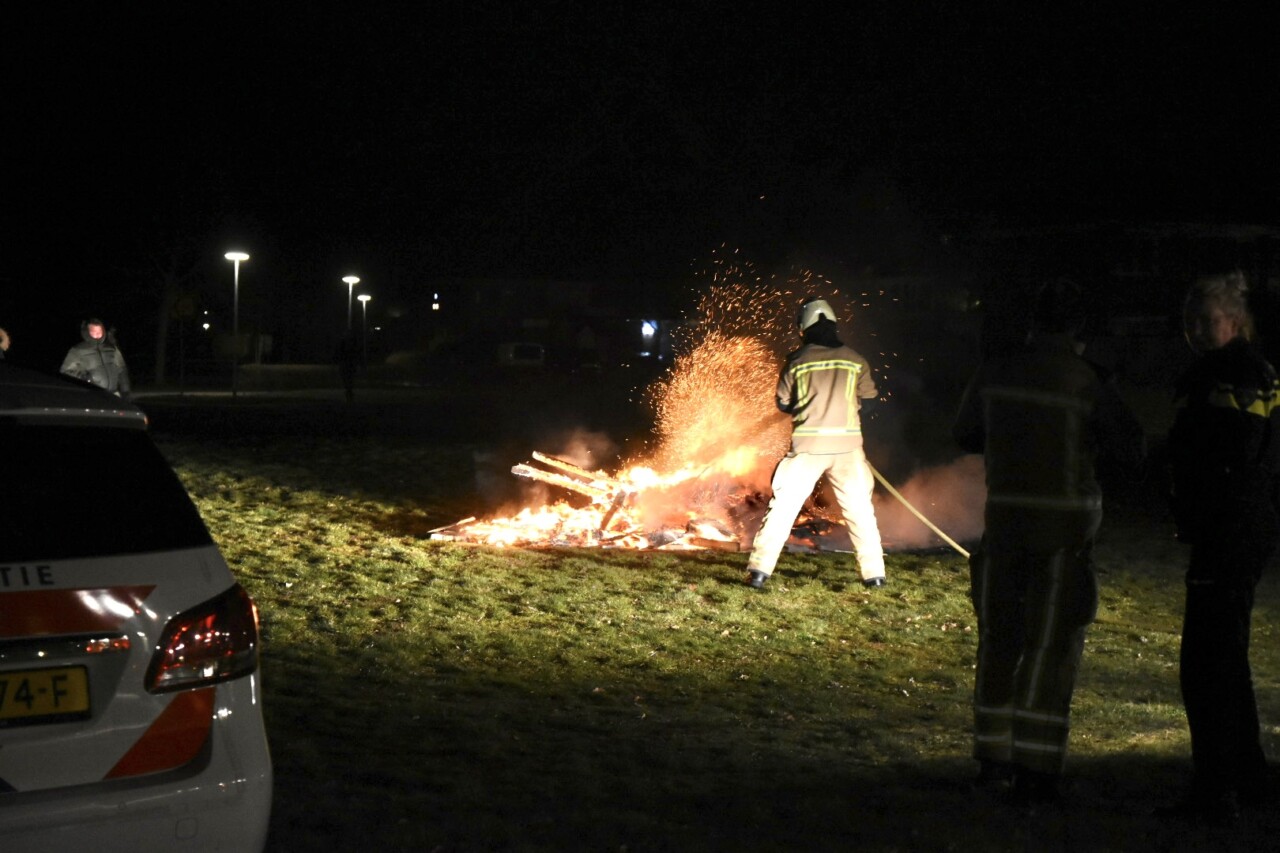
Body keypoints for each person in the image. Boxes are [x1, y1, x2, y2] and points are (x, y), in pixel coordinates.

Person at [952, 279, 1145, 806]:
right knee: (1050, 647)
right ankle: (1037, 772)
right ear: (1080, 331)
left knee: (999, 641)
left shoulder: (996, 370)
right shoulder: (1087, 382)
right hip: (1064, 537)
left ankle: (993, 762)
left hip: (1006, 527)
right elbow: (1131, 445)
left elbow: (966, 434)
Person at [1162, 272, 1280, 824]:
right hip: (1238, 528)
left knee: (1206, 663)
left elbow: (1236, 451)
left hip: (1230, 530)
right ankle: (1250, 777)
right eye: (1192, 321)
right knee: (1224, 655)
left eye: (1209, 321)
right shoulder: (1233, 370)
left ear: (1236, 322)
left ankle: (1216, 789)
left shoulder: (1236, 374)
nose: (1198, 331)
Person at [744, 297, 886, 589]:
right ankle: (875, 577)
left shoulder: (797, 361)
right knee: (860, 512)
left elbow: (784, 404)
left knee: (783, 509)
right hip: (848, 450)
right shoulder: (855, 360)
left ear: (803, 328)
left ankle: (759, 573)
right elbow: (870, 403)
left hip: (807, 449)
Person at [60, 317, 131, 397]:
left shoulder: (112, 349)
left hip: (113, 395)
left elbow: (122, 370)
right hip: (92, 395)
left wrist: (125, 391)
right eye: (93, 331)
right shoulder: (78, 350)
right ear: (87, 332)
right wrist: (85, 378)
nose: (97, 334)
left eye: (99, 331)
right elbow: (65, 371)